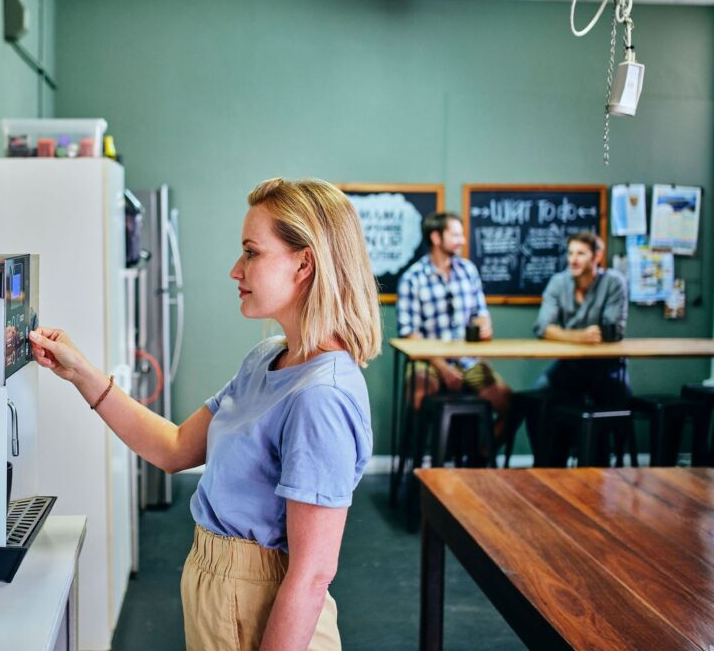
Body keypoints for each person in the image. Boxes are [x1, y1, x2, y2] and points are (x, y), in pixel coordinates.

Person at [29, 178, 381, 651]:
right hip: (214, 587)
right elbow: (174, 448)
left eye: (252, 253)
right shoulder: (267, 359)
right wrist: (81, 373)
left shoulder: (321, 396)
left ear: (304, 263)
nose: (236, 270)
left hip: (265, 610)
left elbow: (312, 575)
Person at [396, 211, 512, 441]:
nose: (463, 240)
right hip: (428, 361)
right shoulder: (413, 278)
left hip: (467, 360)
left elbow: (481, 314)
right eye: (456, 234)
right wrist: (442, 367)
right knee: (419, 394)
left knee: (508, 401)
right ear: (436, 238)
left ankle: (480, 457)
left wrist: (485, 325)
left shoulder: (468, 271)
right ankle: (418, 464)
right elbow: (409, 333)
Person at [531, 230, 630, 464]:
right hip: (570, 366)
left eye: (581, 254)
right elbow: (542, 327)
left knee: (612, 406)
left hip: (607, 367)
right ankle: (548, 466)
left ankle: (600, 467)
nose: (573, 259)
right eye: (570, 253)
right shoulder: (558, 282)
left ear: (596, 257)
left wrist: (564, 334)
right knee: (538, 400)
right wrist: (579, 336)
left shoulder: (614, 282)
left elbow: (612, 330)